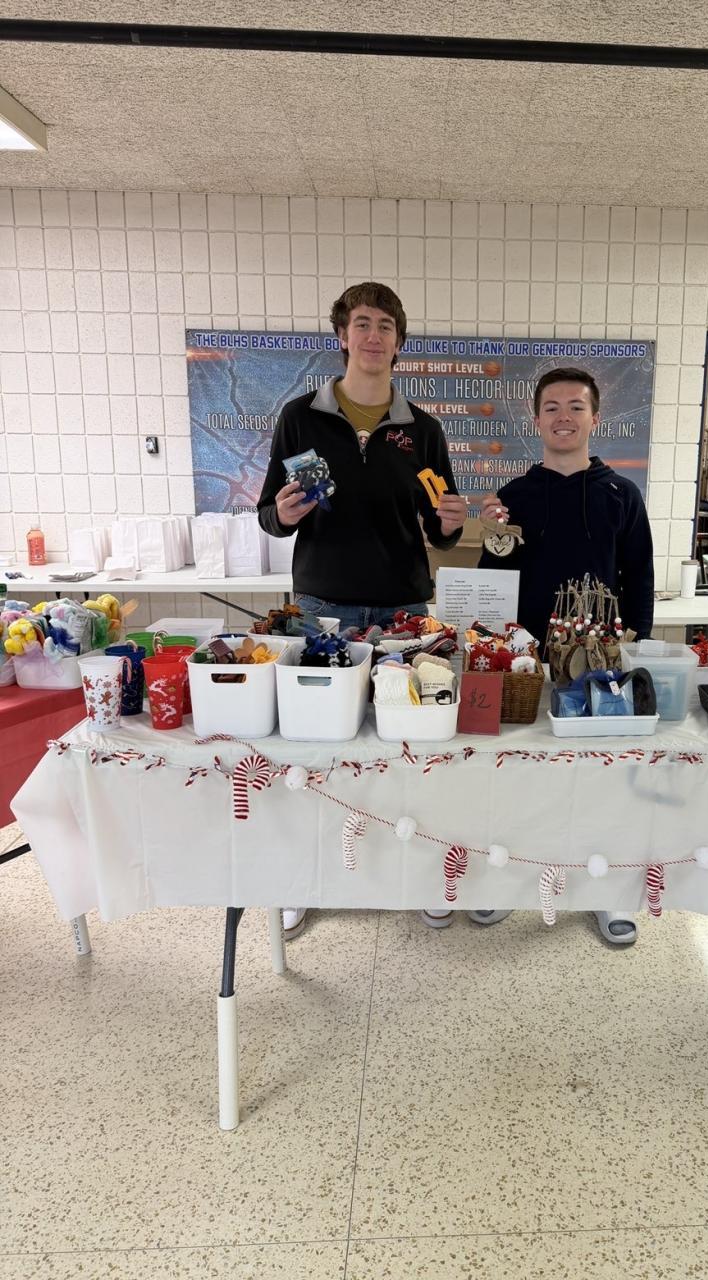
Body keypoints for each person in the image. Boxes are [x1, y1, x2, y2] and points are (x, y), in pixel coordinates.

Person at [257, 282, 468, 938]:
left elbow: (441, 531)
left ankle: (423, 872)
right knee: (312, 749)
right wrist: (281, 514)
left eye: (385, 325)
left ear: (399, 342)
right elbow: (269, 513)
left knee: (412, 746)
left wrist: (452, 524)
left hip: (404, 607)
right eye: (362, 323)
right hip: (320, 606)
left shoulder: (423, 429)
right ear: (342, 336)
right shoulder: (301, 417)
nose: (373, 335)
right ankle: (302, 878)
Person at [476, 367, 655, 946]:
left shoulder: (621, 494)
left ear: (594, 418)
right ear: (536, 420)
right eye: (551, 407)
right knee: (518, 780)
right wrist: (491, 535)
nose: (563, 417)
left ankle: (606, 893)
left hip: (599, 662)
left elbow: (639, 576)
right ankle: (507, 884)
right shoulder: (512, 498)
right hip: (526, 666)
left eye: (576, 406)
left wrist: (634, 645)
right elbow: (493, 582)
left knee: (601, 783)